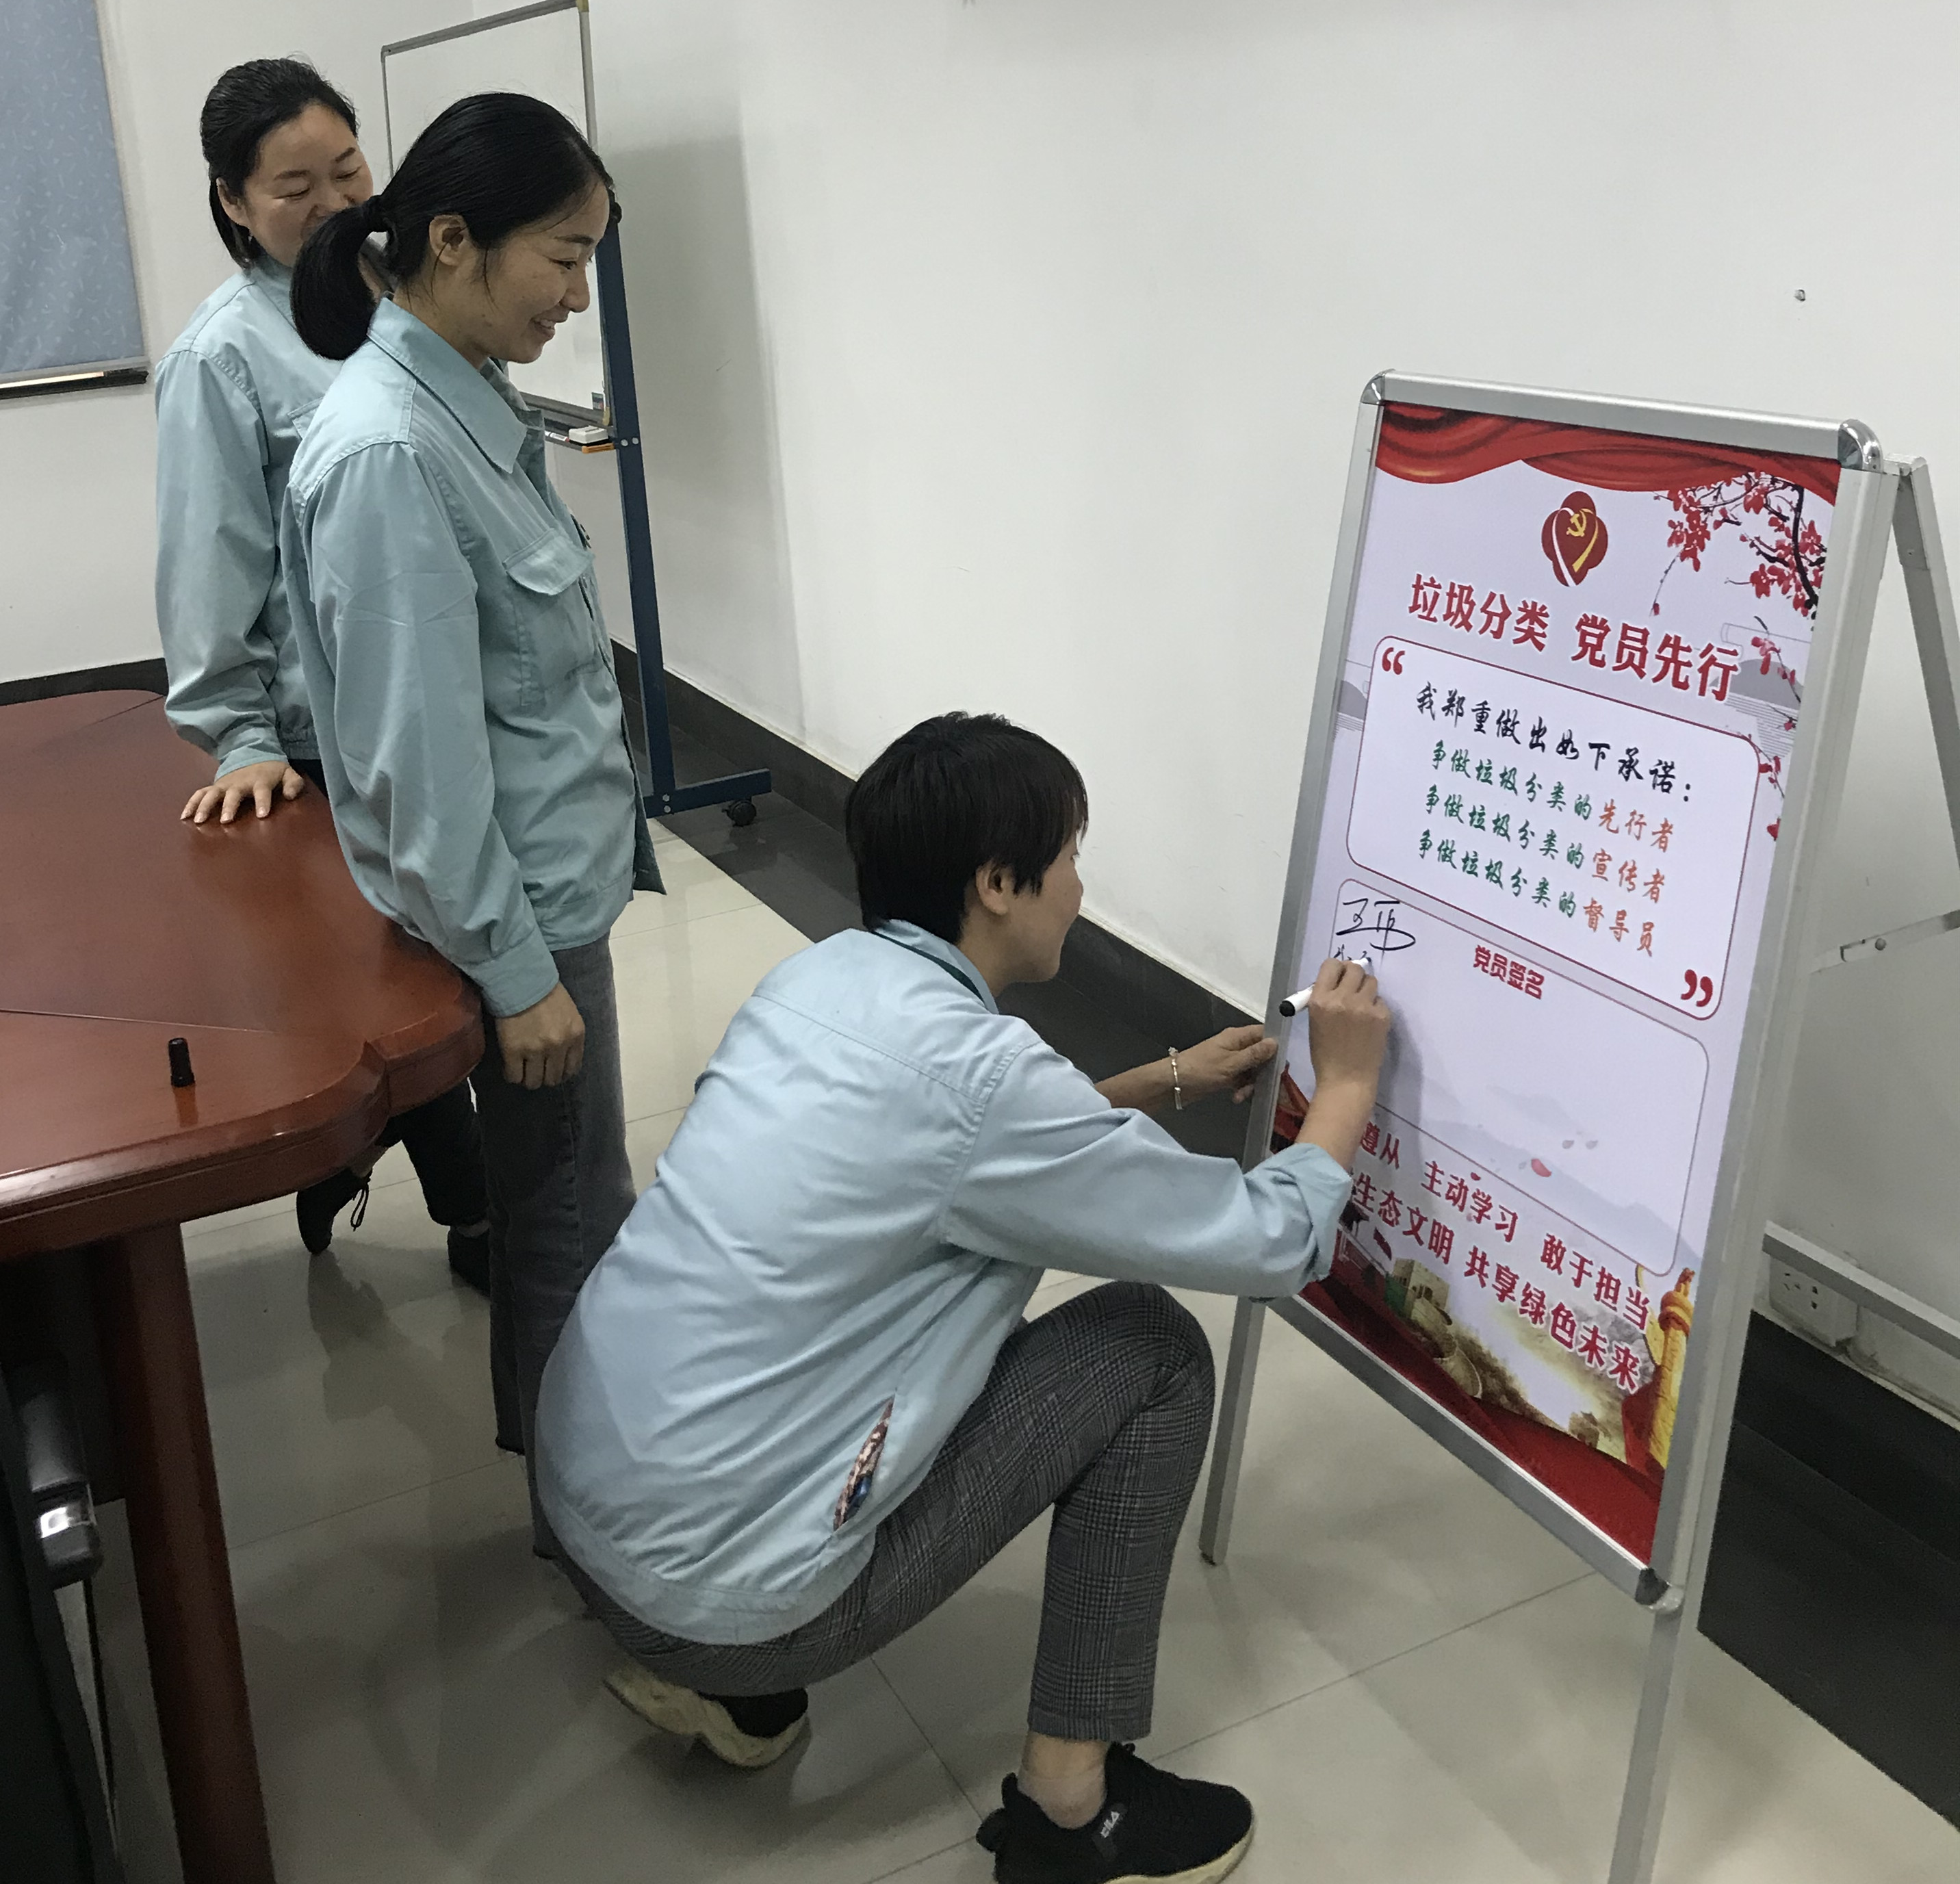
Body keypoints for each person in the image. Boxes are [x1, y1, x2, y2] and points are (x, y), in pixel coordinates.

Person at [537, 713, 1392, 1884]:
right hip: (710, 1600)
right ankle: (1071, 1807)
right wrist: (1345, 1086)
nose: (1080, 887)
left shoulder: (818, 979)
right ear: (998, 882)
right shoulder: (985, 1079)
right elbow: (1276, 1238)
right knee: (1151, 1347)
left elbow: (952, 1148)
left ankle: (737, 1696)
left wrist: (1168, 1078)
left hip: (591, 1516)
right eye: (1071, 856)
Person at [281, 94, 662, 1549]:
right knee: (563, 1222)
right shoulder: (391, 452)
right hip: (520, 925)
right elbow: (420, 766)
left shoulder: (462, 397)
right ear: (453, 240)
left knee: (574, 1201)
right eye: (562, 259)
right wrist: (514, 975)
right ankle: (593, 1531)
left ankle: (575, 1482)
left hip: (546, 894)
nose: (577, 296)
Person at [153, 57, 492, 1299]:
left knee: (462, 960)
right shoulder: (223, 355)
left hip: (454, 695)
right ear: (234, 205)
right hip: (328, 738)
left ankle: (373, 1157)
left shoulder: (412, 288)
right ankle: (479, 1217)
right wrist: (241, 738)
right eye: (294, 186)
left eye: (348, 168)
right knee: (405, 985)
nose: (335, 200)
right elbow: (208, 573)